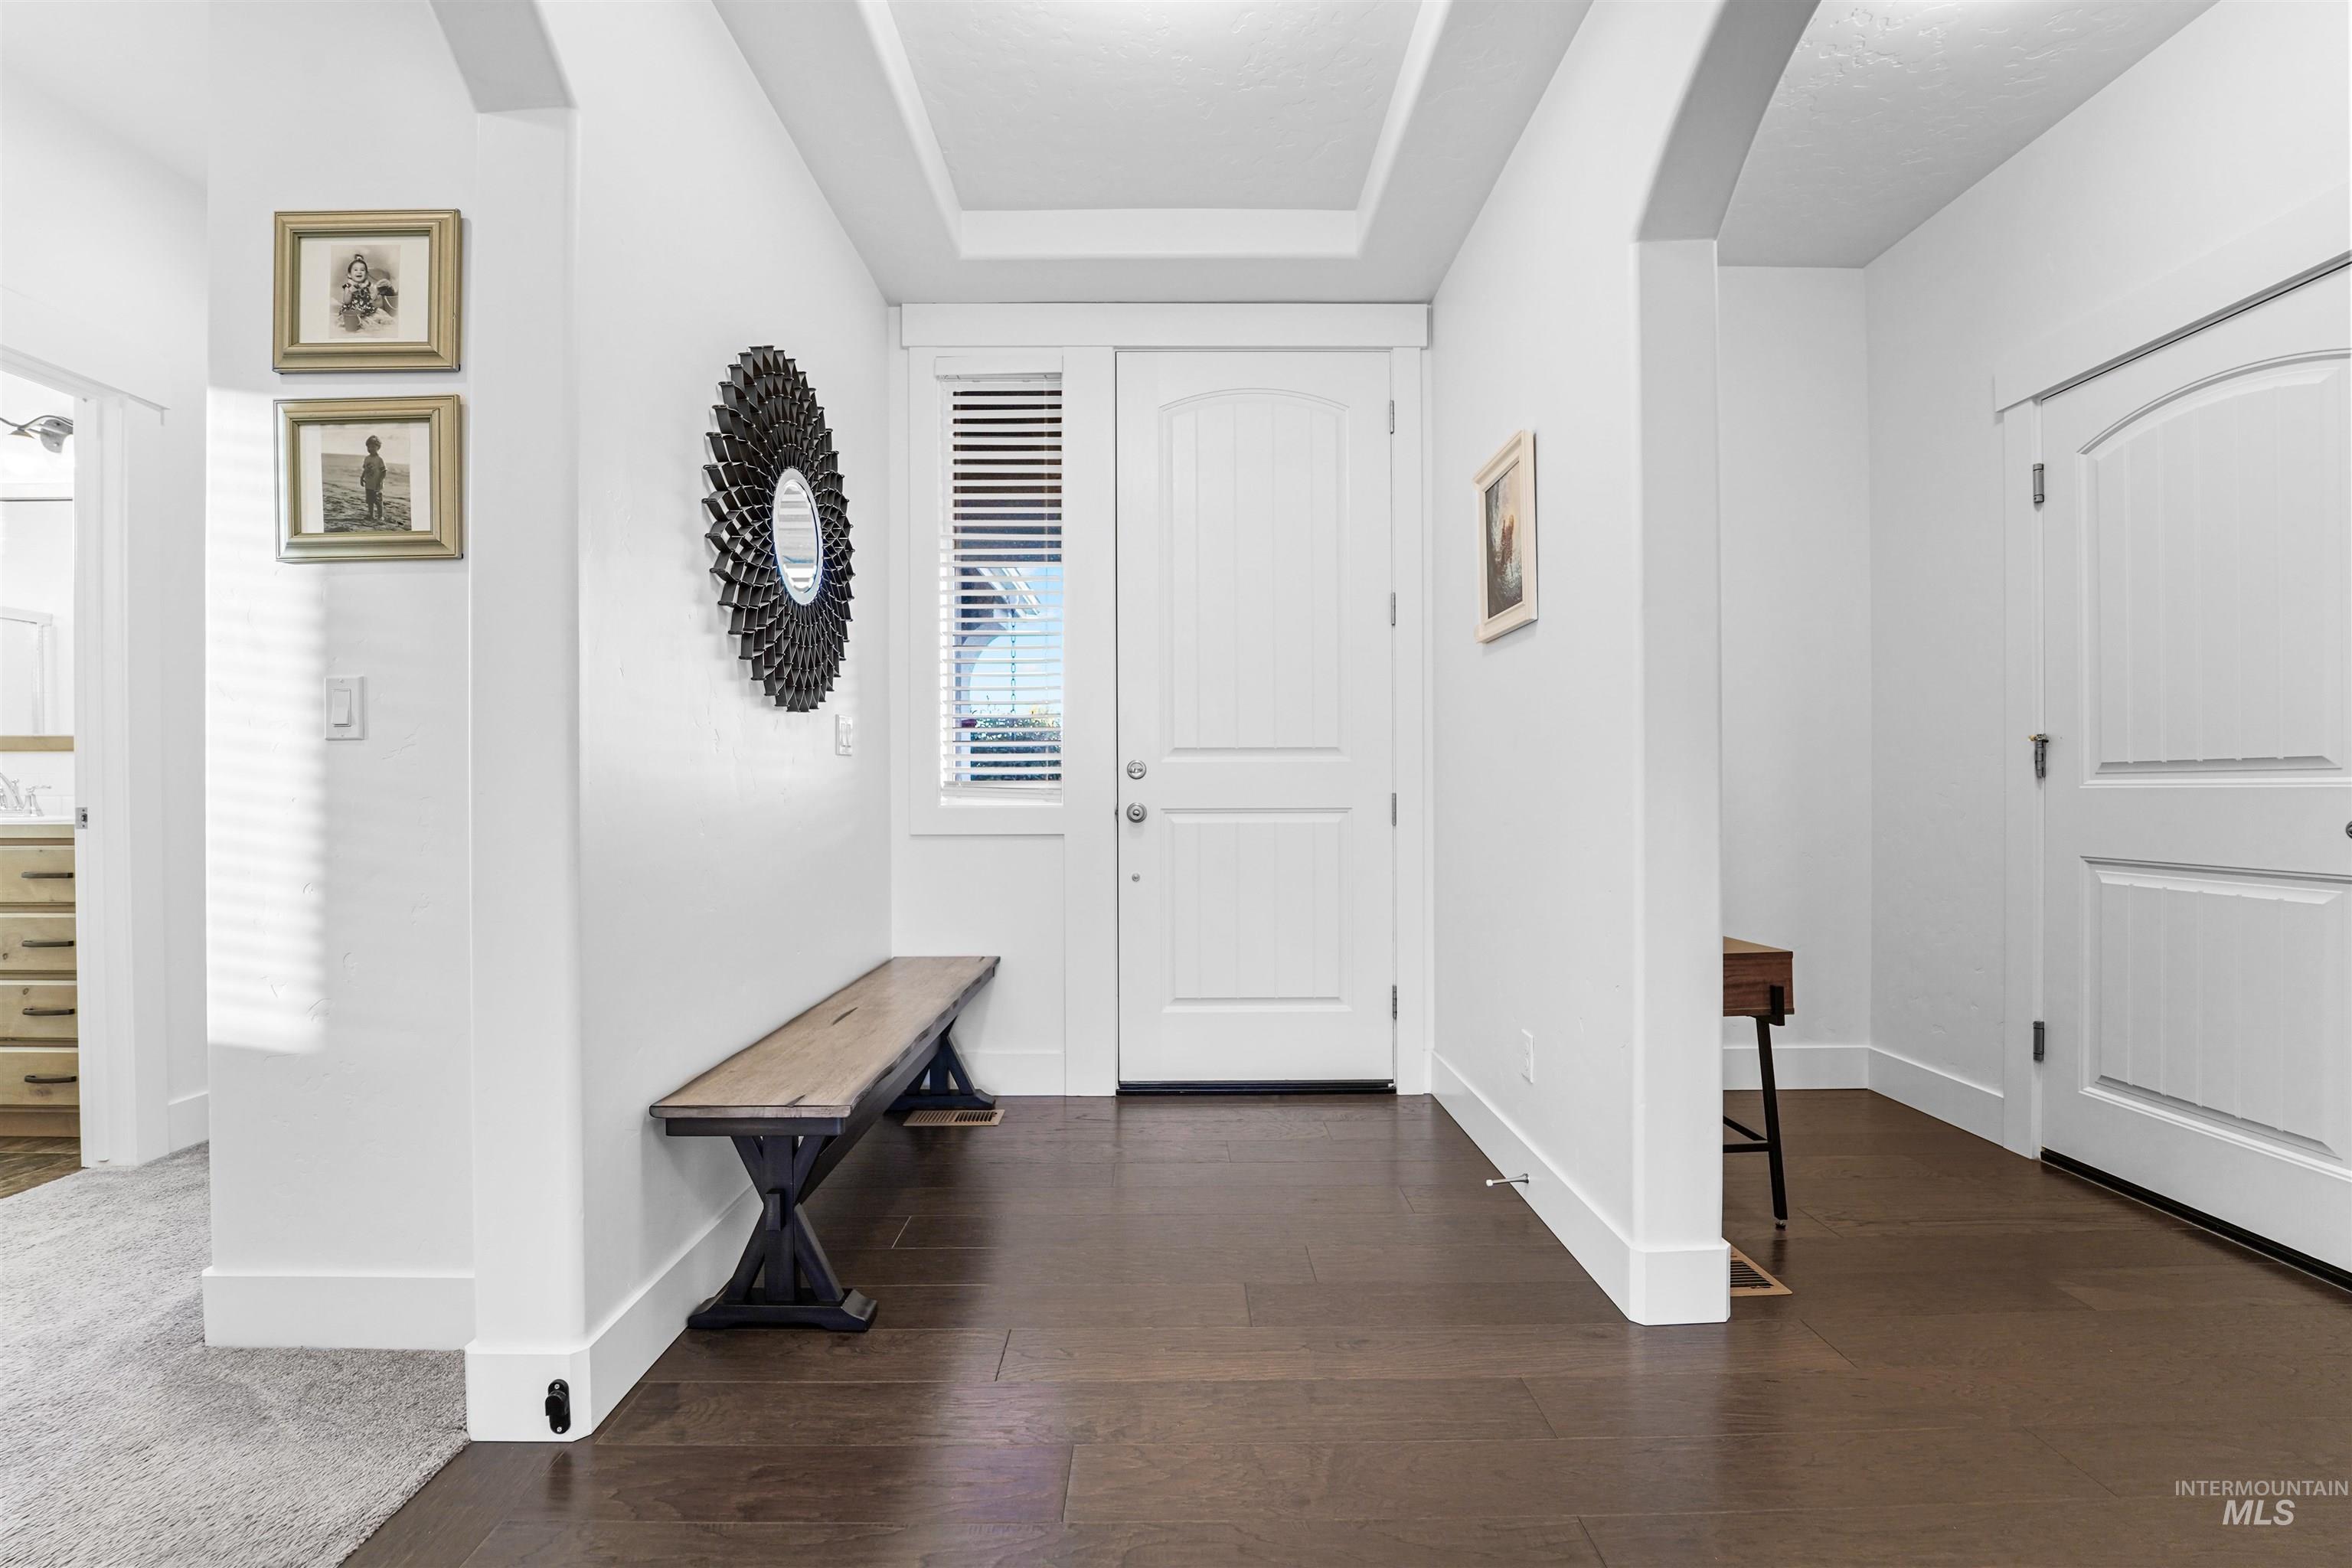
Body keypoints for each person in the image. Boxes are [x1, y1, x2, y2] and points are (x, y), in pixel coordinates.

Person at [337, 253, 397, 333]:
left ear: (366, 275)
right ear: (349, 275)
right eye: (355, 270)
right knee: (359, 322)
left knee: (379, 317)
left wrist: (376, 293)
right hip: (353, 312)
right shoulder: (348, 286)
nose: (359, 272)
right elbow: (346, 301)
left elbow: (371, 295)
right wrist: (350, 292)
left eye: (362, 270)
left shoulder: (366, 285)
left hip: (366, 310)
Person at [360, 435, 387, 525]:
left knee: (378, 501)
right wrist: (361, 477)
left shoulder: (379, 459)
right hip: (369, 484)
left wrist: (380, 482)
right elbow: (365, 469)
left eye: (373, 447)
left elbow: (384, 471)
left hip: (377, 485)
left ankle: (380, 516)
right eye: (369, 447)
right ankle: (371, 515)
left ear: (378, 447)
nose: (371, 448)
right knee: (369, 501)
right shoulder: (367, 458)